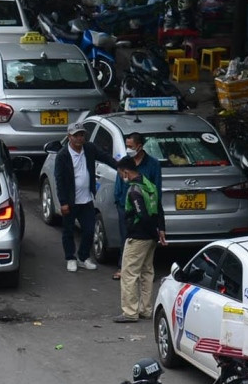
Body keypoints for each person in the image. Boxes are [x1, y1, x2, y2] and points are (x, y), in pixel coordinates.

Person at [50, 125, 112, 274]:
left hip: (86, 200)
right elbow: (59, 180)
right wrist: (63, 202)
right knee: (69, 231)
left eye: (81, 135)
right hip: (71, 201)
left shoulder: (89, 149)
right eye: (76, 135)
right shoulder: (63, 155)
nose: (79, 138)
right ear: (69, 137)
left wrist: (122, 167)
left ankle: (83, 257)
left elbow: (105, 157)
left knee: (89, 230)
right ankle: (71, 258)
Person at [111, 156, 166, 323]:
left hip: (138, 237)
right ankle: (145, 309)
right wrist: (160, 231)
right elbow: (158, 207)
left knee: (129, 273)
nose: (121, 177)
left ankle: (129, 312)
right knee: (147, 272)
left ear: (126, 171)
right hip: (151, 237)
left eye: (121, 174)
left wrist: (151, 233)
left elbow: (141, 215)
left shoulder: (134, 190)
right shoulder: (149, 185)